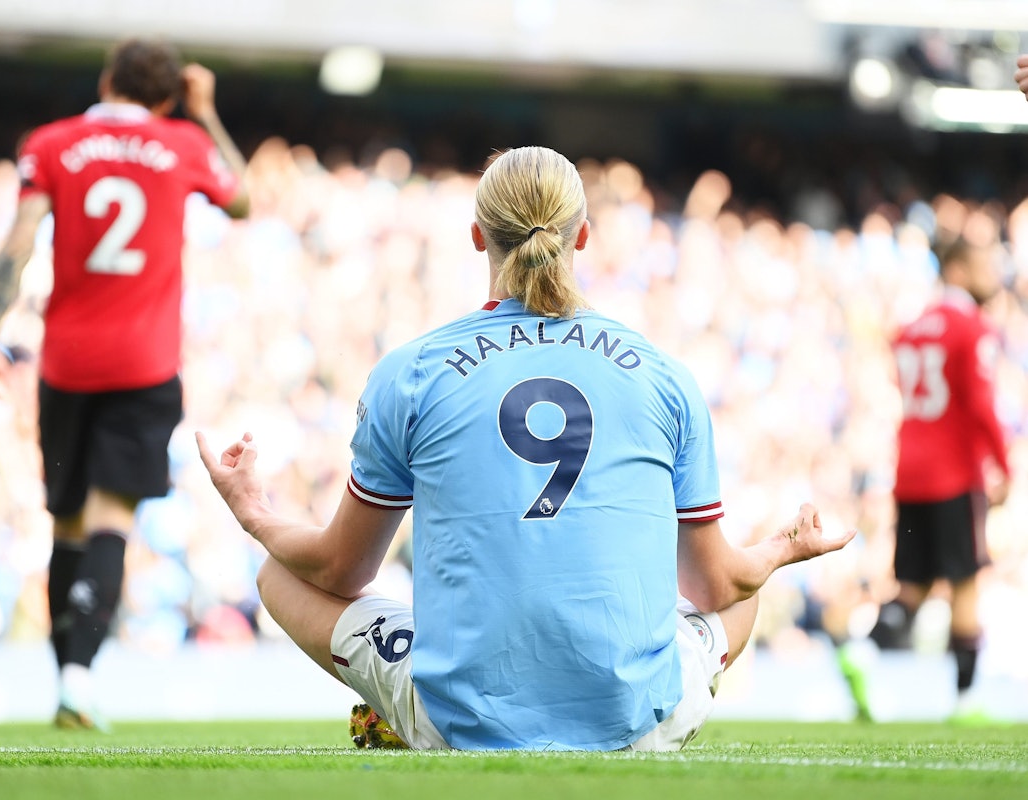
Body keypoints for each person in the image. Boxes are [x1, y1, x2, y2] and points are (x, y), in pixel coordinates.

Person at [197, 145, 853, 751]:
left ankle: (408, 713)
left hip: (457, 725)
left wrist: (255, 513)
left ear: (477, 236)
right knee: (744, 589)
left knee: (278, 572)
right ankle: (639, 722)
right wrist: (782, 549)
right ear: (583, 236)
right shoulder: (664, 374)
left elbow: (339, 571)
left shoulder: (411, 371)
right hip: (634, 725)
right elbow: (715, 585)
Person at [0, 37, 250, 730]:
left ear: (105, 81)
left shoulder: (52, 142)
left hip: (67, 363)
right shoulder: (183, 143)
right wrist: (205, 113)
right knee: (110, 520)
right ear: (170, 97)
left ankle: (64, 677)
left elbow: (20, 238)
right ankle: (78, 680)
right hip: (144, 365)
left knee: (66, 522)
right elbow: (243, 198)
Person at [838, 237, 1010, 723]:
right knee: (966, 582)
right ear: (956, 269)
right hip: (955, 473)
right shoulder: (971, 326)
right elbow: (980, 404)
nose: (992, 274)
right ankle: (966, 700)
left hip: (910, 471)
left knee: (912, 584)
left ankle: (861, 652)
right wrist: (1005, 465)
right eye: (982, 263)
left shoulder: (911, 328)